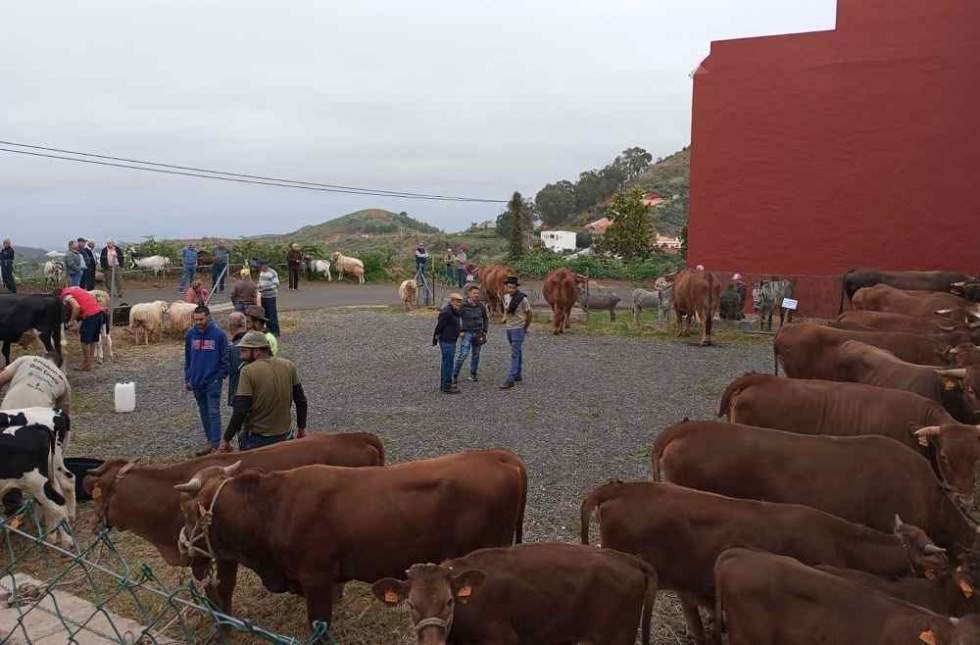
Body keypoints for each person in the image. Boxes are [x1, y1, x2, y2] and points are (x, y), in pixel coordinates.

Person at [219, 330, 307, 451]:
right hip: (286, 438)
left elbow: (240, 410)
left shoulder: (247, 371)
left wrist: (226, 439)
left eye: (244, 350)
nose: (240, 355)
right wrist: (302, 428)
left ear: (257, 351)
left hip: (258, 441)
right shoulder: (289, 365)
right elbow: (301, 400)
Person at [184, 305, 229, 455]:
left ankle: (216, 445)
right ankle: (210, 441)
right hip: (196, 382)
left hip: (213, 382)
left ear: (208, 317)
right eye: (196, 319)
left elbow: (225, 359)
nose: (198, 322)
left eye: (201, 319)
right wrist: (187, 377)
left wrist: (220, 376)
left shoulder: (219, 335)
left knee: (213, 411)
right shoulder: (190, 335)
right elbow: (188, 358)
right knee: (203, 412)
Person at [0, 351, 70, 413]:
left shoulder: (27, 359)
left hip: (9, 409)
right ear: (58, 367)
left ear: (43, 356)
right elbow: (64, 413)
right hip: (37, 418)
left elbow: (1, 378)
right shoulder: (63, 379)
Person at [61, 285, 105, 371]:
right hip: (98, 312)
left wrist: (71, 321)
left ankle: (86, 364)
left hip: (90, 315)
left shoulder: (65, 295)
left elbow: (76, 307)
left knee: (85, 341)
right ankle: (88, 364)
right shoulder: (76, 289)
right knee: (93, 339)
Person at [500, 276, 532, 389]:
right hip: (509, 328)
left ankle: (510, 379)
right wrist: (504, 317)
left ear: (516, 288)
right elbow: (506, 309)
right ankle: (518, 373)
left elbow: (529, 314)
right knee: (517, 351)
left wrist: (525, 326)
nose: (511, 290)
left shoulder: (522, 299)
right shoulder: (505, 297)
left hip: (518, 329)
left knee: (514, 353)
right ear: (506, 287)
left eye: (513, 288)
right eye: (509, 287)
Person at [453, 284, 488, 384]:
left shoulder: (481, 306)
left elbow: (485, 319)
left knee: (476, 355)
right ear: (469, 294)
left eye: (477, 293)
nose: (476, 295)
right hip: (466, 333)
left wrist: (485, 330)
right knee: (463, 354)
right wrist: (460, 331)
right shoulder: (463, 306)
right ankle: (454, 374)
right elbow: (456, 318)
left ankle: (473, 374)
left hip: (478, 333)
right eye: (474, 293)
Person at [432, 293, 463, 394]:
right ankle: (446, 386)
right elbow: (439, 327)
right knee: (448, 363)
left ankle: (445, 384)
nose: (459, 303)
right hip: (446, 340)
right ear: (452, 301)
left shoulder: (454, 311)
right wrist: (435, 339)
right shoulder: (447, 312)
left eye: (460, 301)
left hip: (451, 340)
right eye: (457, 301)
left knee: (447, 363)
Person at [226, 311, 248, 404]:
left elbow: (231, 370)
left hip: (240, 393)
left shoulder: (233, 348)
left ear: (230, 327)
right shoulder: (256, 342)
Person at [257, 260, 281, 337]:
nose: (260, 268)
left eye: (261, 267)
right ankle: (268, 328)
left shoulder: (272, 273)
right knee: (265, 314)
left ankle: (275, 330)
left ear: (265, 266)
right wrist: (259, 286)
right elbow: (261, 282)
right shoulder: (261, 273)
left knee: (272, 313)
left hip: (271, 296)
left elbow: (276, 285)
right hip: (263, 296)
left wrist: (266, 288)